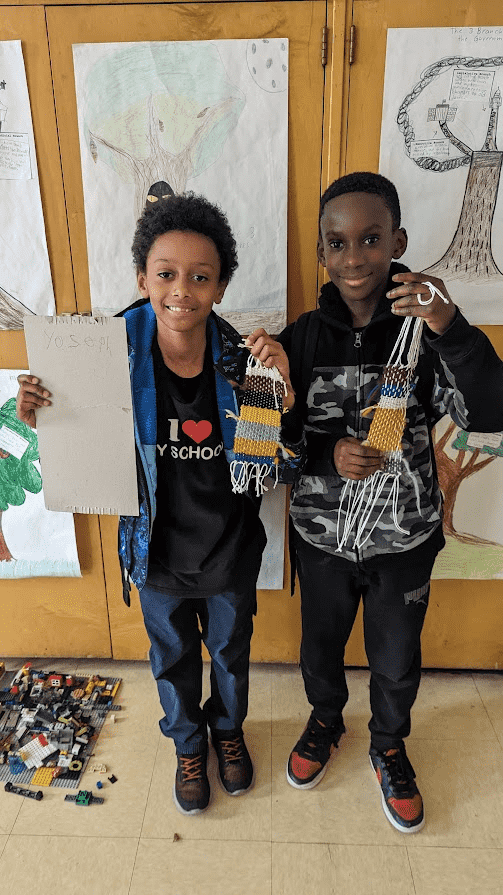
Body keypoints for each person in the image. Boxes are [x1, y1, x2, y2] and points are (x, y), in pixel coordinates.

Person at [16, 192, 304, 817]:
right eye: (166, 274)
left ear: (221, 286)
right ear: (142, 277)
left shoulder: (241, 360)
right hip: (154, 551)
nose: (182, 290)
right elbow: (81, 444)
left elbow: (274, 470)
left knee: (230, 652)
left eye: (201, 277)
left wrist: (280, 402)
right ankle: (187, 744)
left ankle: (228, 731)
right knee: (170, 655)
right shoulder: (106, 351)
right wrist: (47, 409)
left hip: (227, 546)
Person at [278, 171, 503, 833]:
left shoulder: (426, 329)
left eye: (370, 239)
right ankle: (325, 719)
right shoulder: (302, 338)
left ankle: (388, 743)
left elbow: (488, 411)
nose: (355, 257)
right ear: (321, 252)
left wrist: (447, 322)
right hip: (320, 539)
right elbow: (275, 442)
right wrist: (325, 456)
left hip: (403, 540)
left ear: (396, 240)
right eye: (339, 242)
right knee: (319, 649)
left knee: (396, 657)